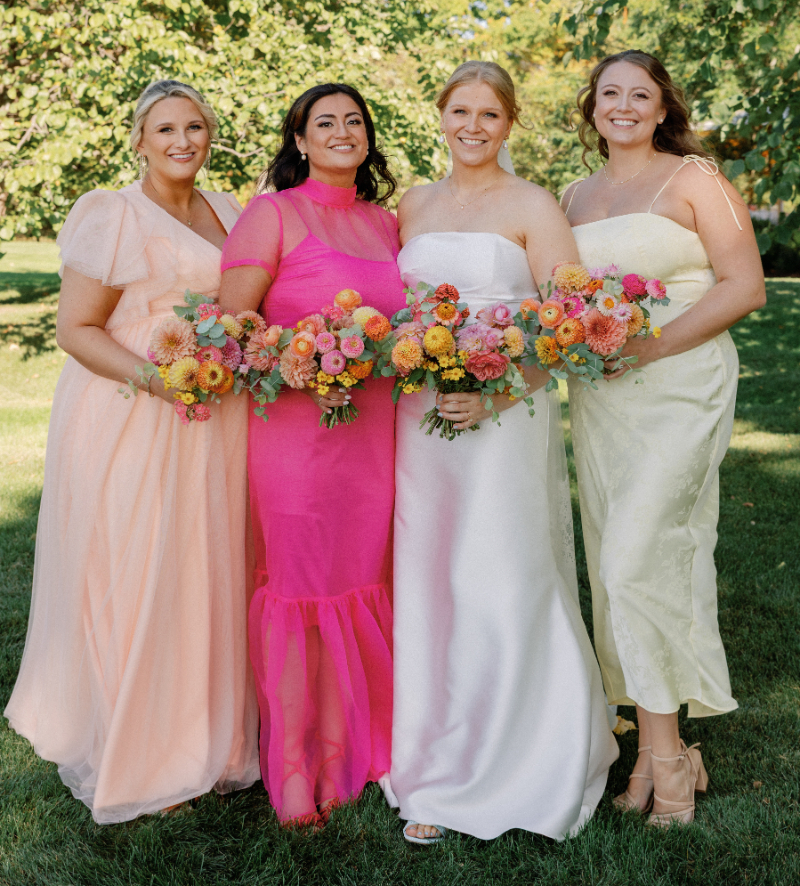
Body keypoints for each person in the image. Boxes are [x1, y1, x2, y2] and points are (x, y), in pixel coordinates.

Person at [4, 79, 259, 823]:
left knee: (206, 568)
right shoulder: (111, 212)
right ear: (140, 140)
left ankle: (206, 739)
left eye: (196, 128)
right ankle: (142, 751)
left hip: (218, 413)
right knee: (140, 567)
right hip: (134, 413)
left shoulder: (228, 211)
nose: (183, 142)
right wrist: (154, 381)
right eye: (167, 129)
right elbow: (75, 329)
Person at [384, 60, 618, 844]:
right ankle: (434, 754)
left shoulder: (533, 204)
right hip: (419, 420)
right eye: (460, 111)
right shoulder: (412, 204)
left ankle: (523, 755)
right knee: (429, 574)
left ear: (509, 123)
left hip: (506, 414)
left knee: (499, 566)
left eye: (489, 114)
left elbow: (570, 325)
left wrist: (495, 387)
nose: (473, 126)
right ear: (441, 116)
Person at [561, 49, 766, 826]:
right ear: (593, 106)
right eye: (609, 93)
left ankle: (670, 758)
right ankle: (656, 746)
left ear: (660, 108)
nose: (622, 106)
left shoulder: (695, 180)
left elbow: (744, 284)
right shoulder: (574, 195)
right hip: (602, 396)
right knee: (617, 562)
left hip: (682, 385)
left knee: (635, 555)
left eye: (638, 95)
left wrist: (654, 344)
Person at [218, 83, 405, 829]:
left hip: (373, 436)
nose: (340, 131)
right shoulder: (272, 213)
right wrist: (304, 362)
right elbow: (234, 330)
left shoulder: (387, 223)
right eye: (323, 122)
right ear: (298, 140)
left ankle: (347, 753)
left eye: (353, 121)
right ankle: (293, 770)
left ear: (368, 137)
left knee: (361, 578)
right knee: (299, 587)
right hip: (296, 435)